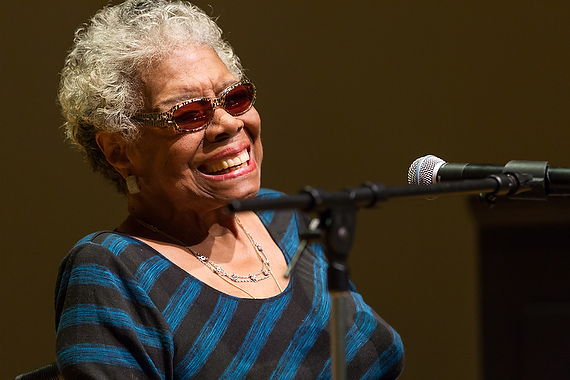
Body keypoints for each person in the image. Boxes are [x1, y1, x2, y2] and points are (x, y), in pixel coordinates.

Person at [55, 0, 405, 378]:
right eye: (189, 113)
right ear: (120, 151)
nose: (227, 123)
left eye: (235, 98)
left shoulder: (285, 217)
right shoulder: (112, 270)